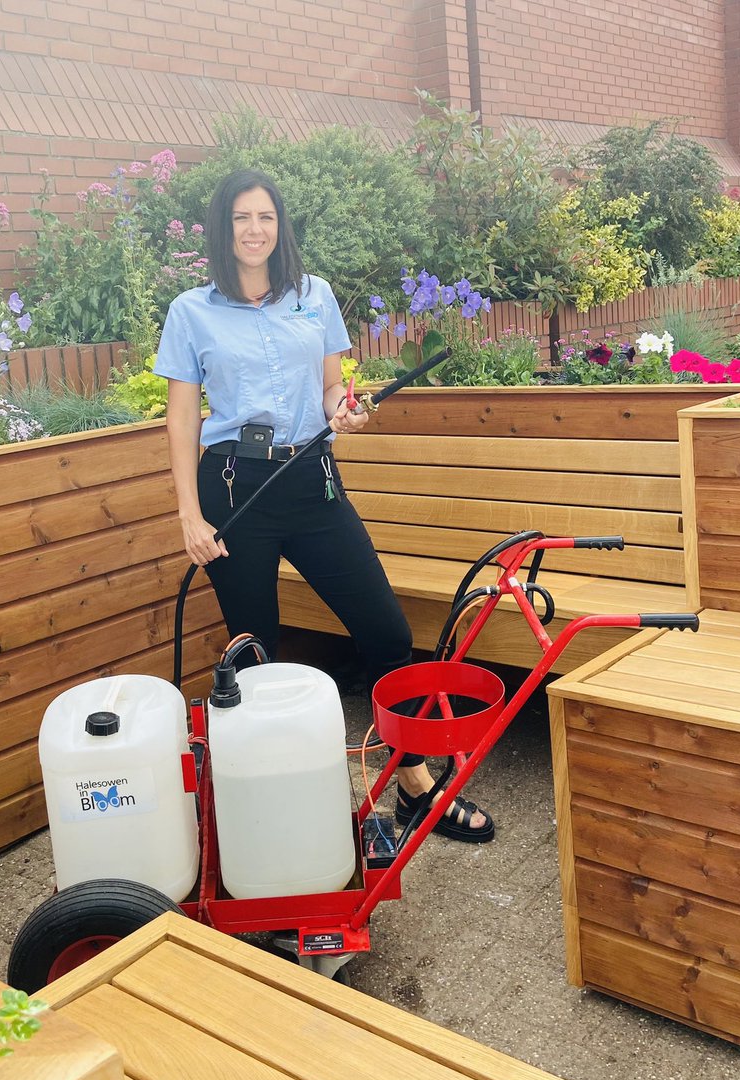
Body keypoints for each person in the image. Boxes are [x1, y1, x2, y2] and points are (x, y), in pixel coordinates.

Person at [153, 168, 493, 842]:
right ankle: (283, 810)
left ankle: (413, 782)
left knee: (388, 631)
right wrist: (189, 516)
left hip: (313, 481)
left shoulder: (314, 295)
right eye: (242, 219)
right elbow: (182, 415)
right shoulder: (192, 311)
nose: (255, 230)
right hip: (232, 488)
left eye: (266, 218)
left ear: (281, 227)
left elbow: (335, 386)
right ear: (223, 230)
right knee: (259, 658)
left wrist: (347, 412)